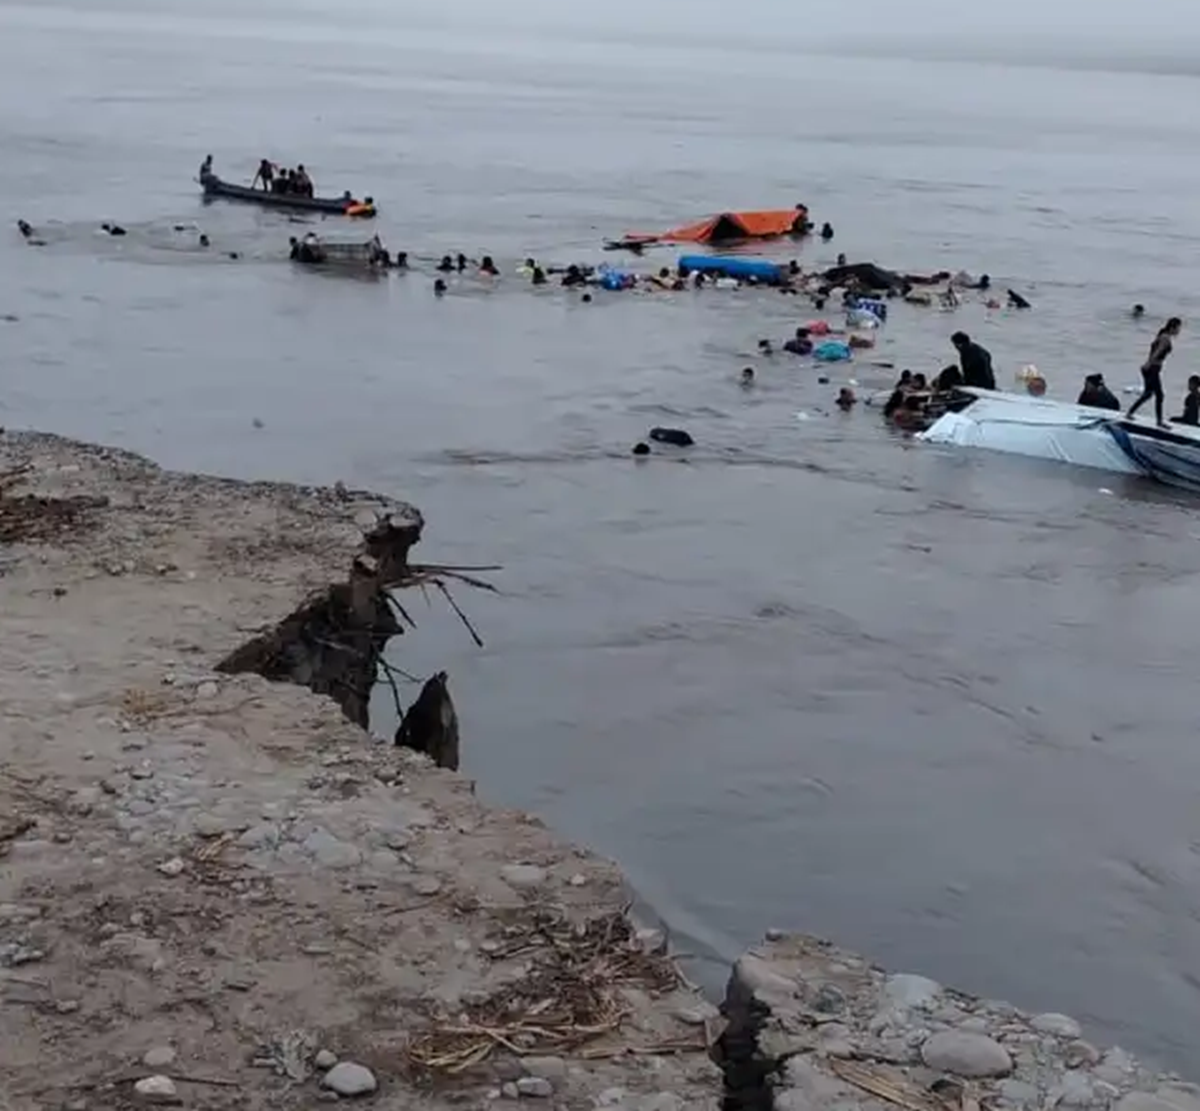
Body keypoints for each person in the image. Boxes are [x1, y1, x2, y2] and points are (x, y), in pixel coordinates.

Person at [1128, 316, 1182, 427]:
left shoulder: (1162, 335)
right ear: (1173, 327)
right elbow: (1157, 352)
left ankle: (1130, 413)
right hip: (1152, 369)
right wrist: (1148, 364)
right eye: (1178, 328)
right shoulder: (1165, 338)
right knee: (1159, 395)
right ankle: (1159, 421)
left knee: (1148, 394)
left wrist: (1147, 364)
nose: (1179, 331)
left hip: (1152, 368)